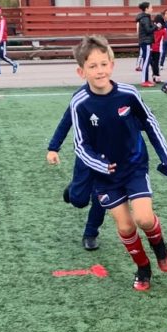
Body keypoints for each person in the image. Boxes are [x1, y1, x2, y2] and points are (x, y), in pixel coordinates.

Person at [66, 35, 167, 291]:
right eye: (92, 66)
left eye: (104, 64)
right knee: (126, 226)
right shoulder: (79, 103)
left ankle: (159, 247)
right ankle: (143, 268)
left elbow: (150, 123)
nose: (99, 70)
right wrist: (100, 165)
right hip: (104, 176)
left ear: (112, 65)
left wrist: (165, 156)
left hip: (134, 167)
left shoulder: (128, 93)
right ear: (81, 71)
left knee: (145, 219)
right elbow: (80, 145)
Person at [47, 107, 108, 251]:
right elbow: (66, 122)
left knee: (101, 196)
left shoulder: (120, 96)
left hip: (108, 157)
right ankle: (73, 189)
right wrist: (53, 148)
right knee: (79, 200)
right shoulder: (80, 99)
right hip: (85, 155)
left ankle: (90, 234)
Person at [135, 1, 157, 87]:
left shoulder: (145, 18)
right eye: (151, 7)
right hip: (146, 42)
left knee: (146, 60)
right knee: (146, 61)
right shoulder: (145, 18)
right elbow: (148, 30)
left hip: (145, 41)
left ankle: (146, 79)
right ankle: (144, 80)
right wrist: (156, 26)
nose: (152, 9)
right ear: (146, 9)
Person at [150, 13, 167, 84]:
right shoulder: (163, 30)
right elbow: (166, 39)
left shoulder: (152, 28)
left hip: (151, 47)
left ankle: (154, 75)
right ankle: (157, 76)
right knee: (156, 63)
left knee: (152, 63)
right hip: (158, 48)